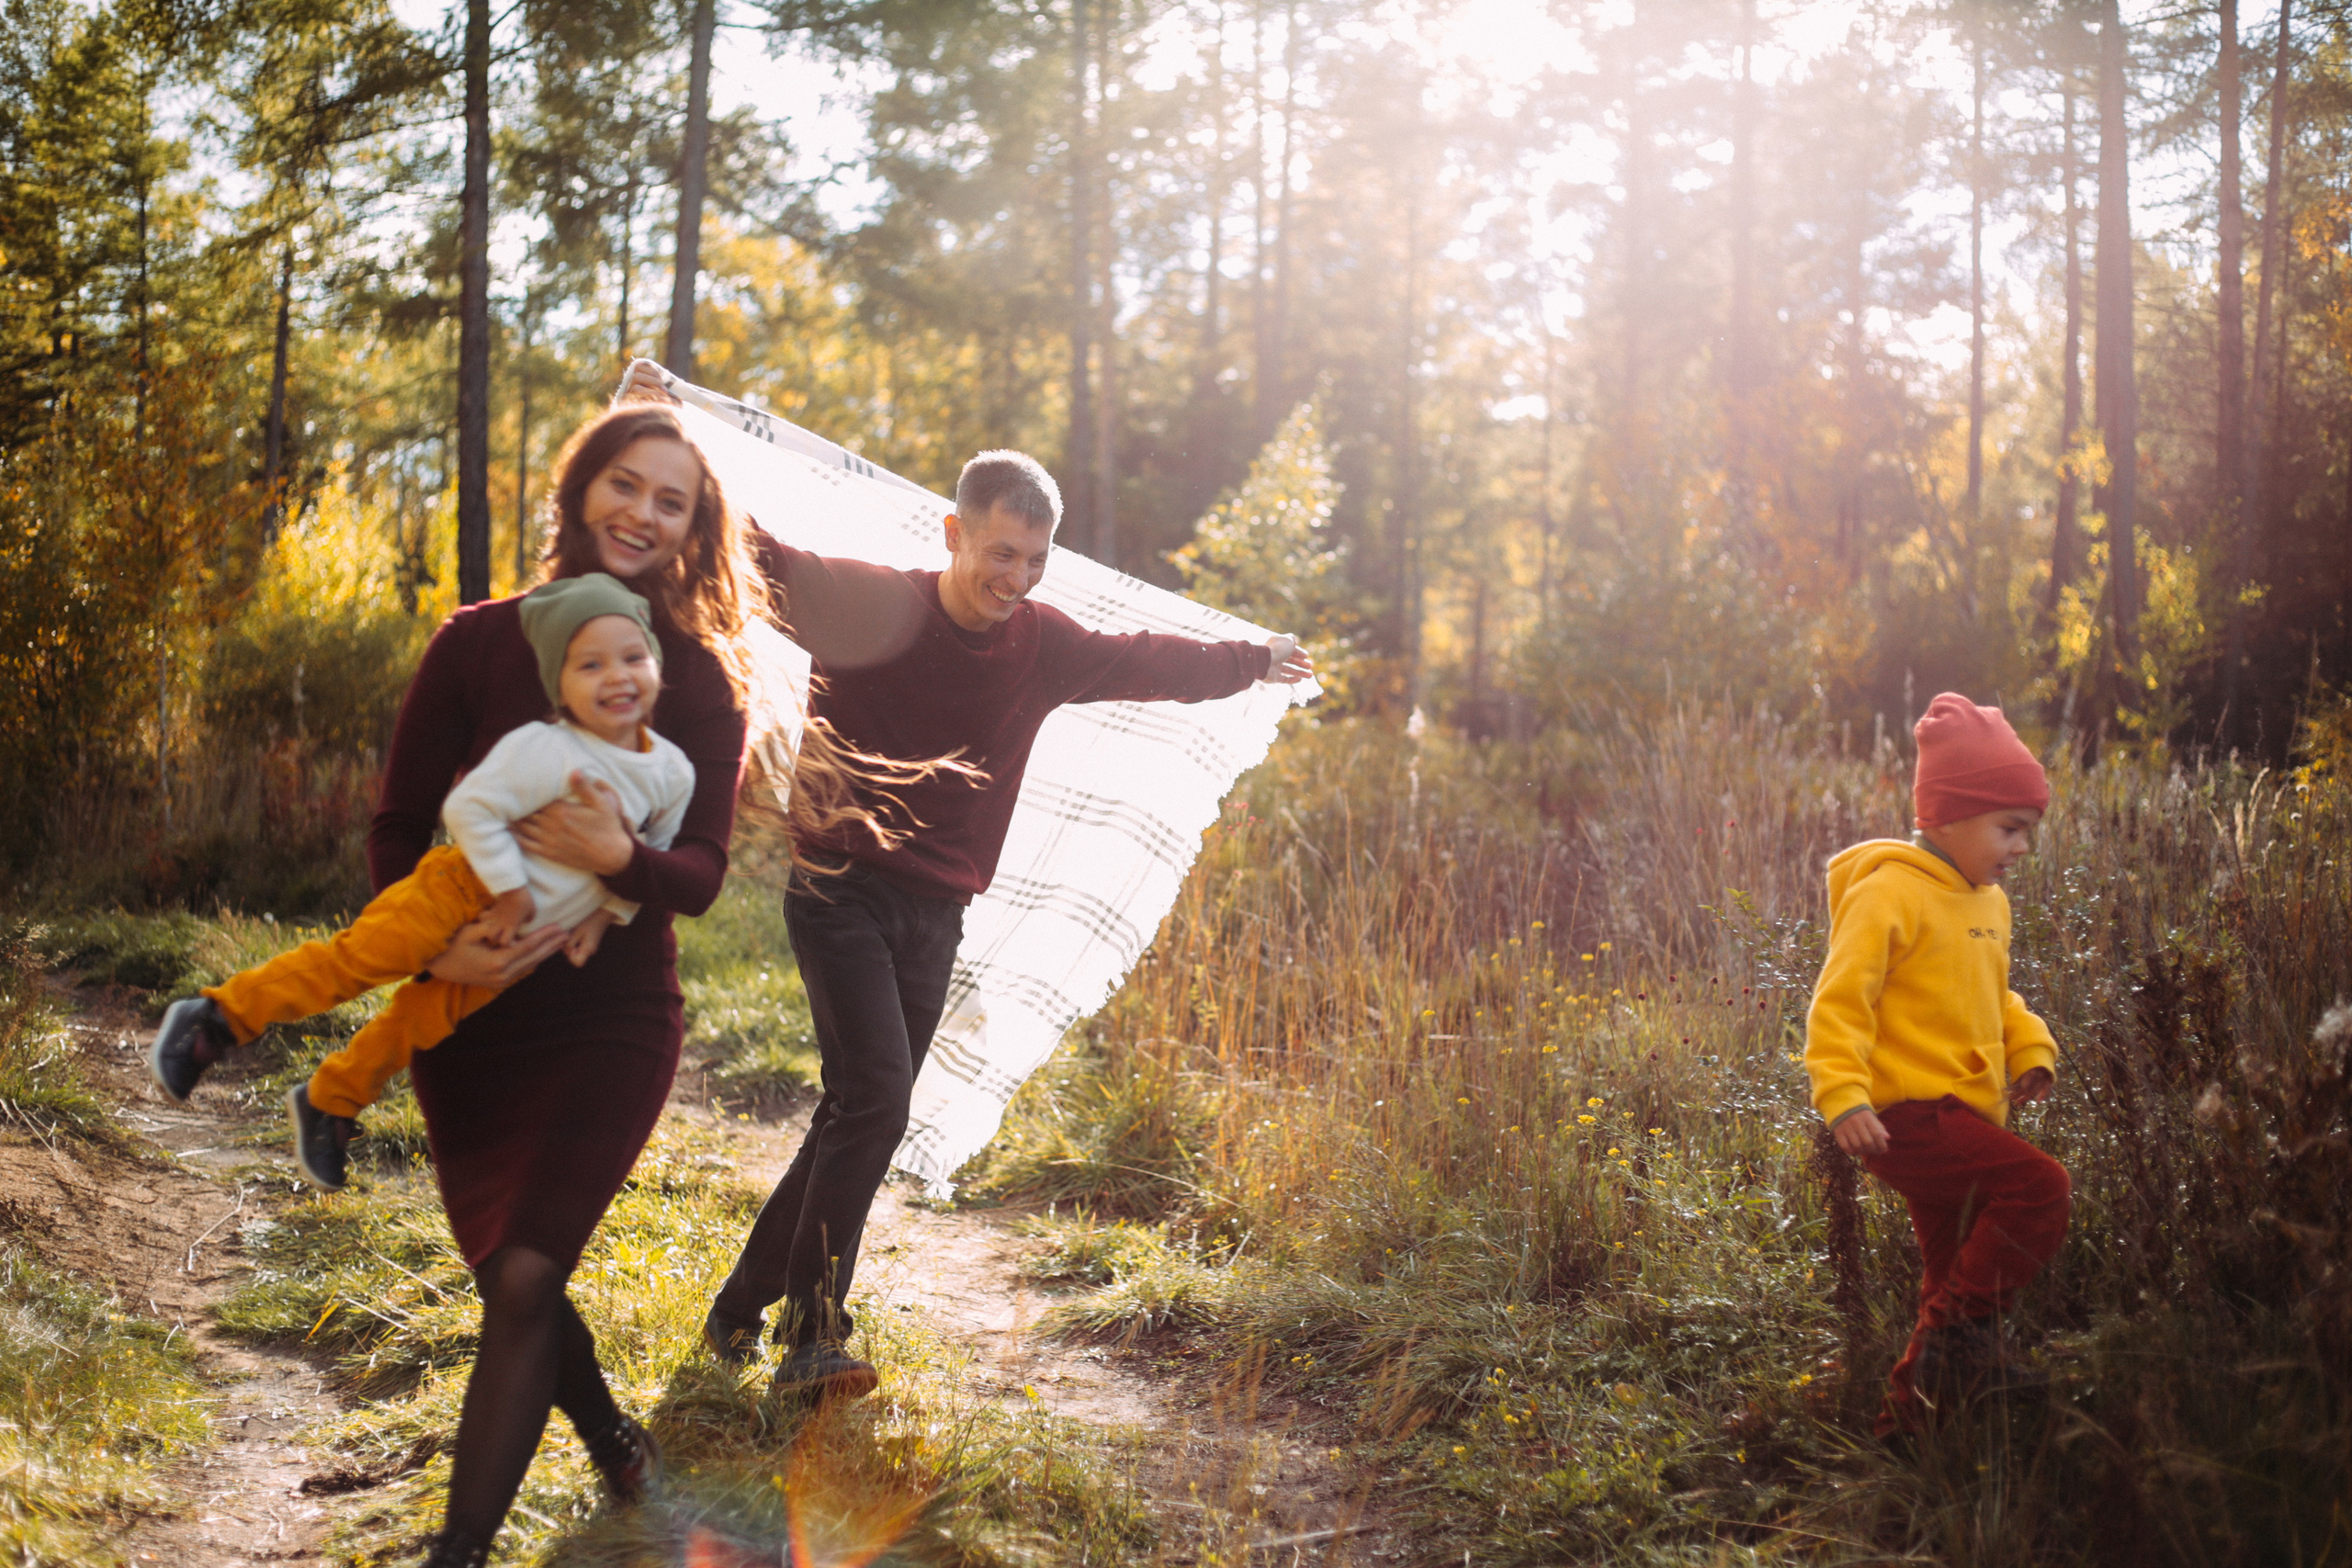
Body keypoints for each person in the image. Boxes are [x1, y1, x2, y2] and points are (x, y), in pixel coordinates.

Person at [166, 397, 871, 1568]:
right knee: (516, 1280)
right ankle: (617, 1448)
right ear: (580, 487)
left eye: (671, 501)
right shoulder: (477, 643)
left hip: (608, 1019)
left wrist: (616, 856)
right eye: (624, 484)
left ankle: (460, 1552)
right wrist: (436, 953)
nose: (641, 514)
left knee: (532, 1269)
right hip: (472, 1021)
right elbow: (400, 824)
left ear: (695, 529)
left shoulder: (697, 678)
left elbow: (698, 876)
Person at [703, 442, 1314, 1401]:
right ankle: (812, 1337)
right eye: (999, 553)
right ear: (953, 532)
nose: (1015, 578)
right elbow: (752, 553)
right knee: (876, 1104)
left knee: (854, 1112)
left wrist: (1253, 659)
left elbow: (1146, 660)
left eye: (1034, 560)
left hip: (937, 912)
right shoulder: (871, 603)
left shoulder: (1041, 643)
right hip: (839, 891)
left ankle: (738, 1308)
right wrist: (669, 444)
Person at [146, 574, 695, 1194]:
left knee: (419, 1022)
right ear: (559, 685)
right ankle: (217, 1017)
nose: (617, 676)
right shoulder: (546, 748)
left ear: (656, 664)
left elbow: (651, 852)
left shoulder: (672, 772)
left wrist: (603, 915)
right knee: (354, 963)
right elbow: (469, 808)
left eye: (633, 657)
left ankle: (331, 1101)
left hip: (523, 939)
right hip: (462, 889)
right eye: (590, 665)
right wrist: (513, 892)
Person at [1804, 693, 2069, 1439]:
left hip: (1963, 1113)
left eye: (2028, 830)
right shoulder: (1889, 891)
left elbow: (1995, 994)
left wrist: (2029, 1047)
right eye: (2009, 828)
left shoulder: (1988, 902)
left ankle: (1906, 1432)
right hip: (1906, 1116)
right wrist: (1844, 1093)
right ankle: (1959, 1347)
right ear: (1949, 816)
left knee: (1951, 1276)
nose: (2022, 847)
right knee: (2040, 1188)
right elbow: (1841, 999)